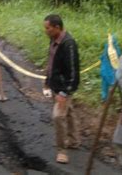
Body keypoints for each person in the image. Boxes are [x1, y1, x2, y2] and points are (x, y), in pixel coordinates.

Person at [43, 14, 81, 164]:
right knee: (68, 112)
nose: (45, 31)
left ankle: (62, 150)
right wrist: (47, 81)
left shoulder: (69, 44)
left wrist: (64, 93)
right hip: (55, 85)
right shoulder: (53, 39)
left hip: (63, 88)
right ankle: (74, 140)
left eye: (48, 28)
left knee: (58, 116)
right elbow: (51, 62)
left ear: (57, 27)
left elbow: (73, 73)